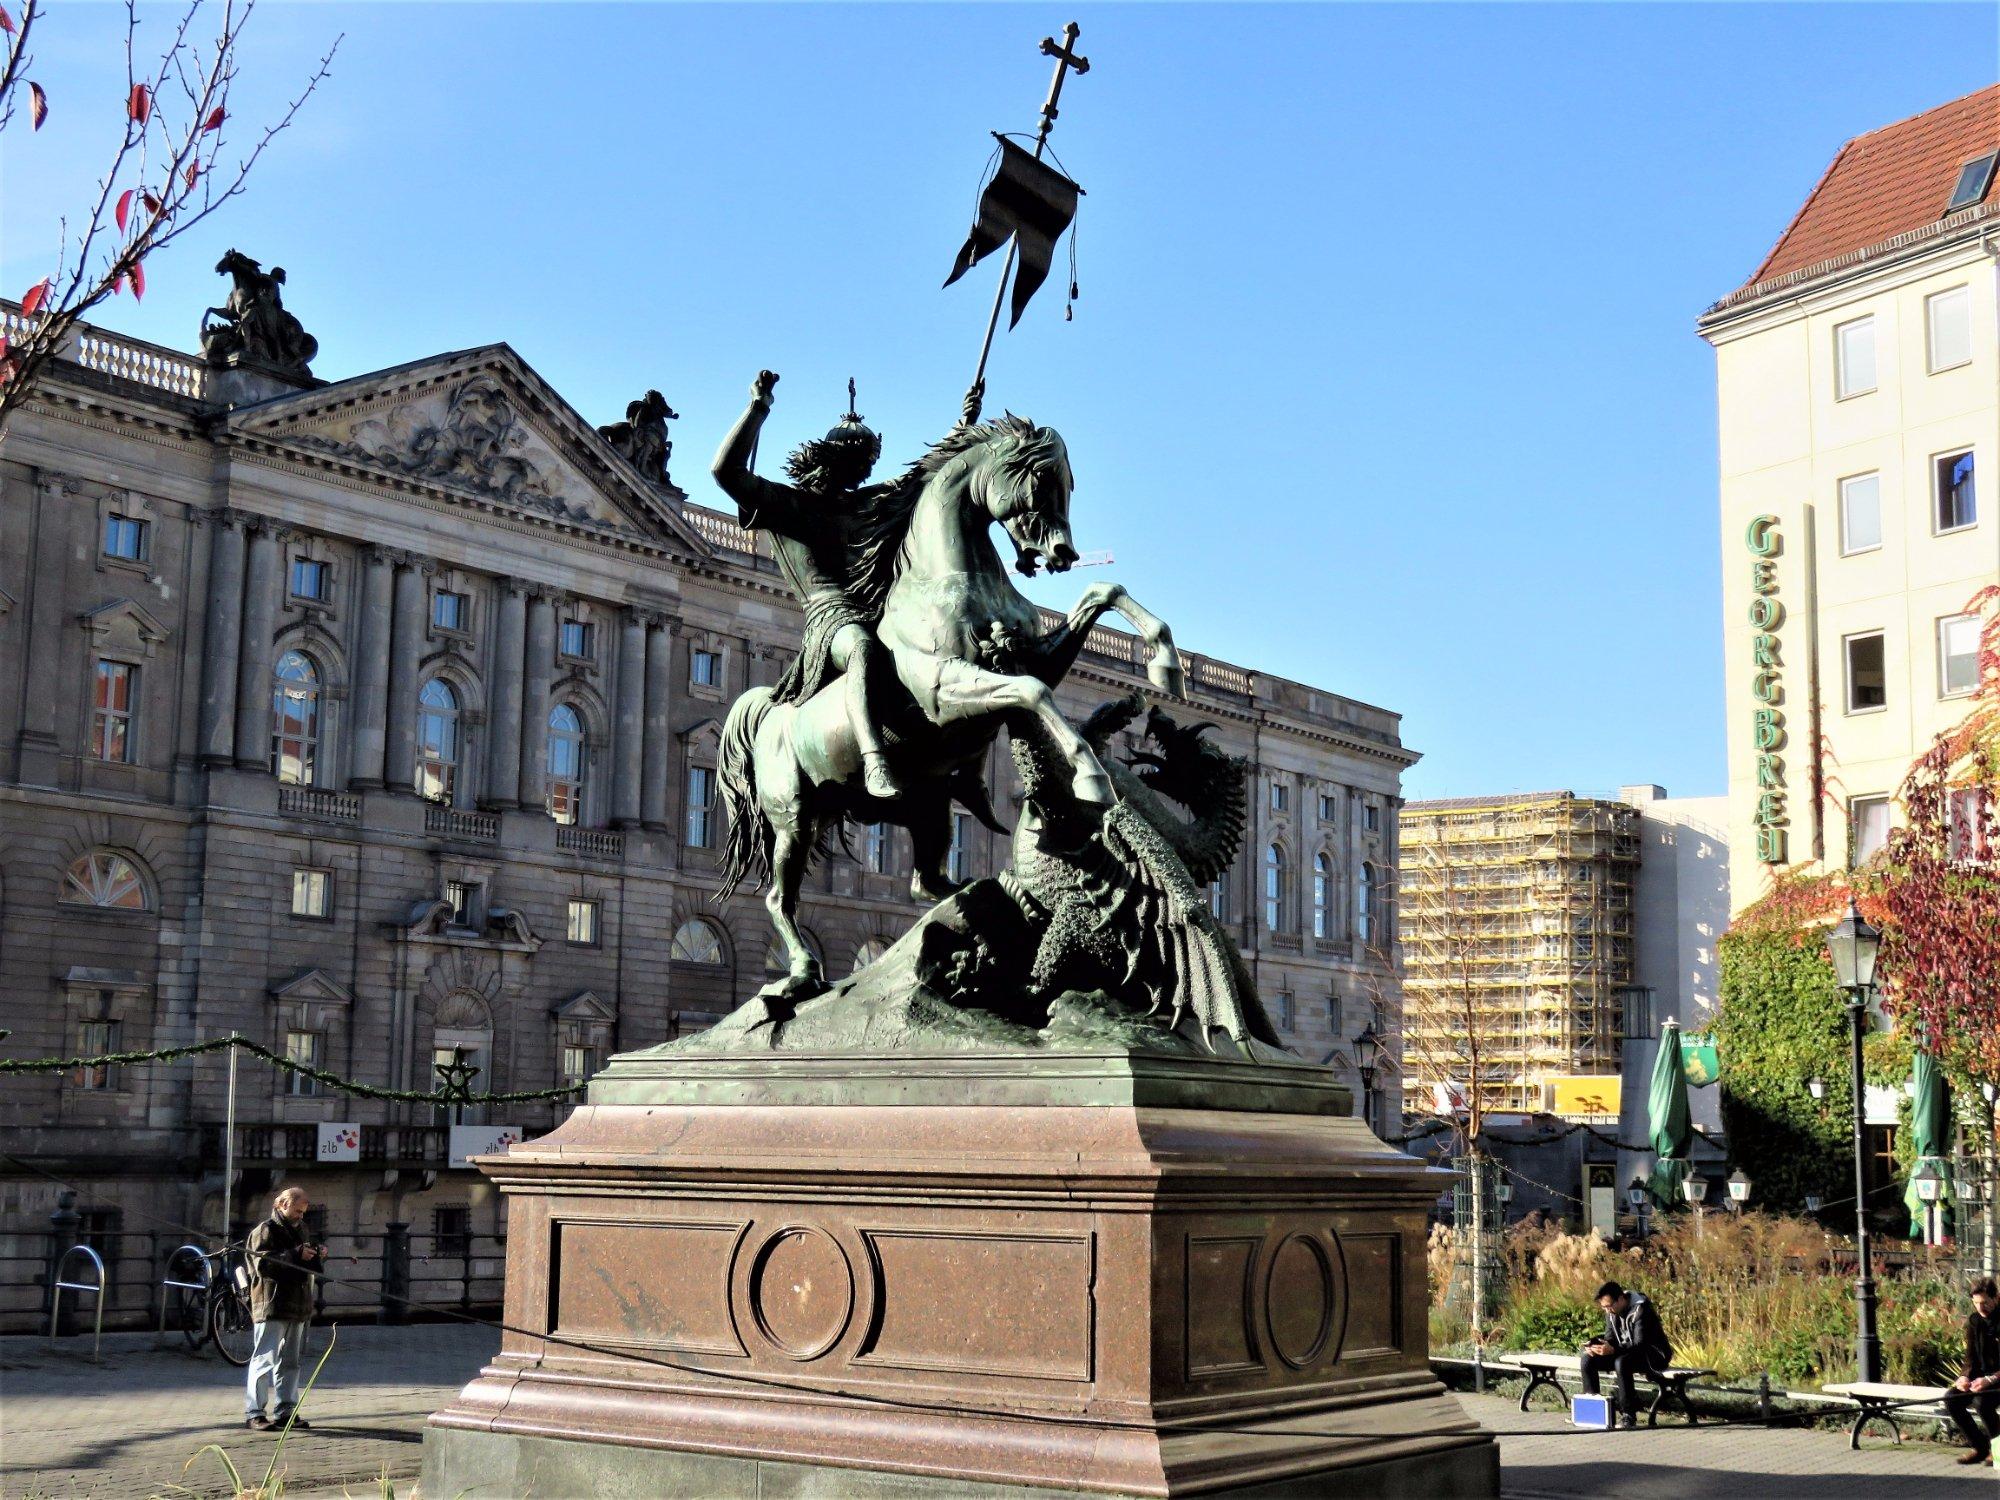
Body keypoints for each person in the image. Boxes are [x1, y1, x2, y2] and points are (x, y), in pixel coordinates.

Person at [710, 370, 906, 800]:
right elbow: (724, 470)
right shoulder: (789, 505)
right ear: (829, 460)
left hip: (874, 609)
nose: (861, 475)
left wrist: (964, 428)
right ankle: (874, 760)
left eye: (866, 468)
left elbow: (922, 483)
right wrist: (758, 408)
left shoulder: (861, 506)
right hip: (830, 619)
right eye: (856, 466)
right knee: (862, 649)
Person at [243, 1185, 324, 1430]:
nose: (301, 1216)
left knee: (291, 1362)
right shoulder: (265, 1230)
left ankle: (286, 1411)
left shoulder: (303, 1229)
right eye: (297, 1211)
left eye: (303, 1212)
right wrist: (295, 1254)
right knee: (264, 1359)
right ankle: (254, 1412)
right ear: (282, 1205)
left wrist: (316, 1255)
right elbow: (262, 1265)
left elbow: (305, 1265)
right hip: (272, 1304)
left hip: (298, 1305)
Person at [1580, 1279, 1674, 1428]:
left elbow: (1640, 1344)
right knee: (1588, 1359)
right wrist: (1596, 1345)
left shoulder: (1642, 1309)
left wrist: (1613, 1350)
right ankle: (1593, 1411)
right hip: (1627, 1353)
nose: (1607, 1310)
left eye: (1609, 1306)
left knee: (1622, 1362)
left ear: (1621, 1299)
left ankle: (1628, 1415)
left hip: (1653, 1355)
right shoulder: (1611, 1312)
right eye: (1604, 1307)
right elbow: (1610, 1338)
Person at [1946, 1278, 2000, 1465]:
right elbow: (1970, 1357)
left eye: (1985, 1302)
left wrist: (1991, 1379)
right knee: (1951, 1399)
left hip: (1997, 1381)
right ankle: (1980, 1447)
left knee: (1982, 1402)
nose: (1980, 1307)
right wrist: (1963, 1377)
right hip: (1980, 1380)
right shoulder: (1974, 1321)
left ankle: (1998, 1450)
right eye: (1976, 1303)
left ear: (1996, 1298)